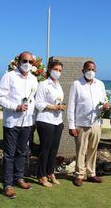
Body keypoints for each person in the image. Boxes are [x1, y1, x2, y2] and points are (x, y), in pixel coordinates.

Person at [0, 51, 38, 198]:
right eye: (25, 60)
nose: (27, 64)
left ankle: (19, 177)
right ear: (18, 61)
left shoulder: (33, 79)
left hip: (27, 122)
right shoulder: (9, 77)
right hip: (12, 122)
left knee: (22, 151)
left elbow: (34, 99)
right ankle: (7, 184)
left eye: (30, 62)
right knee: (9, 154)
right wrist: (16, 107)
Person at [67, 61, 108, 187]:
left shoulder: (100, 84)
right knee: (81, 151)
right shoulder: (77, 84)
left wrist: (106, 105)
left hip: (96, 123)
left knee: (93, 150)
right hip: (81, 124)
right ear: (83, 70)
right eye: (88, 69)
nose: (91, 71)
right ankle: (79, 175)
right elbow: (71, 105)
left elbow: (104, 100)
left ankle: (91, 174)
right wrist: (71, 125)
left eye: (93, 69)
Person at [35, 59, 66, 187]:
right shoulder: (43, 84)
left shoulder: (58, 85)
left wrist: (61, 106)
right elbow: (38, 103)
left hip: (57, 121)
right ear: (49, 70)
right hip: (45, 120)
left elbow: (58, 100)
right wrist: (54, 107)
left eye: (60, 70)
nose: (58, 72)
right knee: (45, 149)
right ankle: (41, 175)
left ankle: (50, 172)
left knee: (54, 149)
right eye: (56, 70)